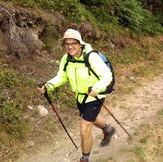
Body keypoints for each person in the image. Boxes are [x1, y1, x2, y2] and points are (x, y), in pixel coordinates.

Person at [37, 29, 115, 162]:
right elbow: (62, 76)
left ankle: (85, 158)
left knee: (85, 127)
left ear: (80, 44)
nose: (70, 46)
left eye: (73, 43)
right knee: (91, 118)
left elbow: (107, 76)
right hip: (79, 97)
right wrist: (48, 86)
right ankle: (108, 129)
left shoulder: (91, 57)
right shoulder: (66, 59)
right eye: (67, 44)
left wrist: (97, 88)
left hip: (94, 96)